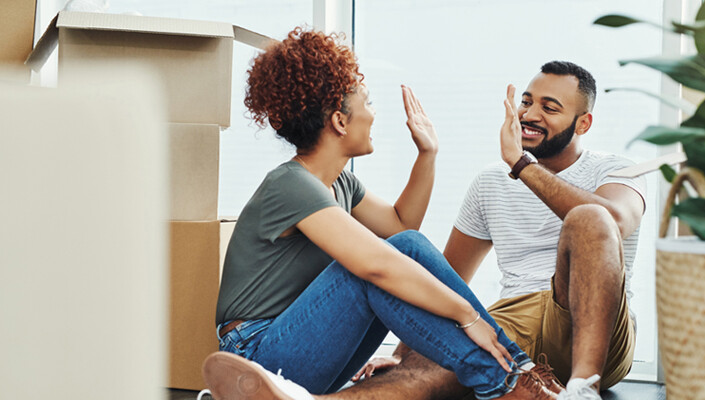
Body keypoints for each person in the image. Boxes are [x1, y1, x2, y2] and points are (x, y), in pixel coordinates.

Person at [203, 60, 647, 400]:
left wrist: (428, 154)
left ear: (583, 122)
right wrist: (458, 322)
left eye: (549, 107)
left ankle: (520, 381)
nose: (374, 115)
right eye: (368, 104)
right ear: (340, 122)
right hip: (259, 346)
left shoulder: (339, 183)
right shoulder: (290, 184)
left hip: (590, 320)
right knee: (393, 280)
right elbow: (383, 263)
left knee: (405, 248)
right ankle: (514, 382)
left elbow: (401, 227)